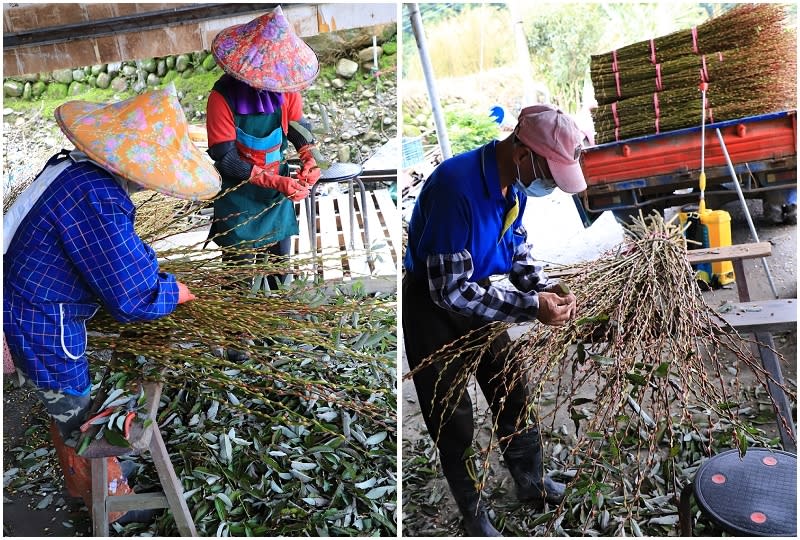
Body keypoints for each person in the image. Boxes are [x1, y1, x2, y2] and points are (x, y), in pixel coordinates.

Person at [3, 85, 221, 524]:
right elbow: (129, 294)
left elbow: (121, 253)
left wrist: (153, 273)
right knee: (78, 413)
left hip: (29, 303)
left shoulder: (76, 170)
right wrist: (171, 292)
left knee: (64, 402)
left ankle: (79, 483)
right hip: (41, 317)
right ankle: (111, 504)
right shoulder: (97, 197)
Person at [403, 104, 584, 537]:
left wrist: (545, 288)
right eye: (548, 173)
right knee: (452, 416)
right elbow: (450, 291)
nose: (549, 187)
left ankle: (531, 480)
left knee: (510, 388)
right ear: (523, 153)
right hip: (433, 305)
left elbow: (517, 250)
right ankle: (473, 512)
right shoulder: (456, 187)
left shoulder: (514, 189)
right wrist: (529, 307)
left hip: (479, 294)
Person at [205, 6, 323, 291]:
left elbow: (300, 131)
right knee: (240, 279)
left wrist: (311, 159)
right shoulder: (221, 99)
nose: (271, 83)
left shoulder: (287, 89)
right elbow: (225, 158)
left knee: (280, 270)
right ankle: (239, 332)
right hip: (238, 198)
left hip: (275, 198)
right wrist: (274, 180)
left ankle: (277, 331)